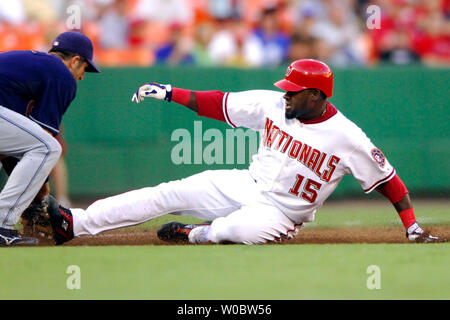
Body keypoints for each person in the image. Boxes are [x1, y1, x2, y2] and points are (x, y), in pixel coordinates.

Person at [45, 59, 445, 245]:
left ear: (316, 95)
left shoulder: (347, 137)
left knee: (237, 231)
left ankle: (198, 235)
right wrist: (169, 93)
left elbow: (389, 180)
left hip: (282, 213)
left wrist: (411, 225)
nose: (284, 94)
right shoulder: (274, 104)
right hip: (245, 184)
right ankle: (74, 223)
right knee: (168, 192)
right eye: (285, 88)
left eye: (293, 90)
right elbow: (217, 103)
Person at [0, 31, 100, 246]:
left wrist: (34, 192)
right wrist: (42, 192)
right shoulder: (60, 74)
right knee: (49, 148)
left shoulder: (31, 67)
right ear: (75, 61)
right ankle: (1, 225)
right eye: (85, 68)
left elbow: (13, 148)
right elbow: (43, 139)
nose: (82, 76)